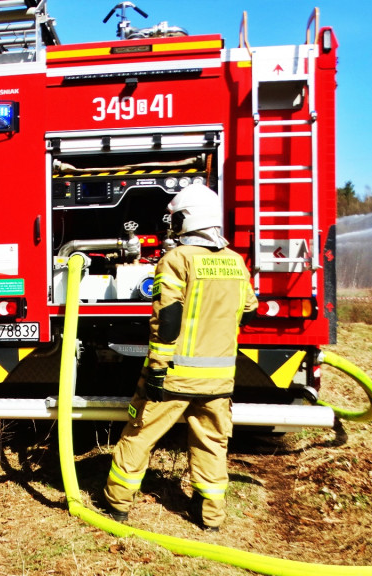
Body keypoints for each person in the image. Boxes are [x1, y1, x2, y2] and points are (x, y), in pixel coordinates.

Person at [102, 182, 258, 531]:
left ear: (188, 219)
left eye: (176, 219)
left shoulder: (177, 259)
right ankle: (210, 517)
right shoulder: (235, 262)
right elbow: (250, 310)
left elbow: (168, 317)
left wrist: (156, 368)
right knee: (212, 443)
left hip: (174, 376)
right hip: (218, 381)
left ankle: (117, 506)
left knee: (139, 435)